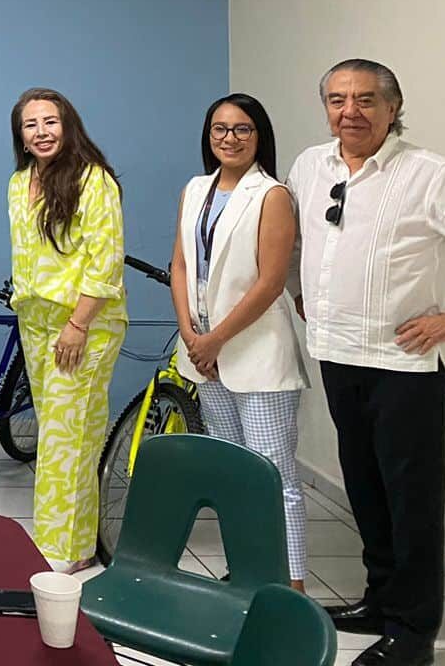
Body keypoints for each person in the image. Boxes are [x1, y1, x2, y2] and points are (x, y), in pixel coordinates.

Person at [287, 59, 445, 666]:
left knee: (411, 498)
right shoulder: (310, 165)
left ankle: (413, 631)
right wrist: (303, 295)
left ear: (392, 108)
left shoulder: (426, 174)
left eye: (364, 100)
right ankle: (380, 599)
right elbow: (298, 238)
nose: (349, 111)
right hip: (337, 354)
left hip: (404, 364)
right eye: (336, 99)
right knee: (367, 487)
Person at [169, 93, 308, 591]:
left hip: (256, 354)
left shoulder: (272, 195)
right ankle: (248, 570)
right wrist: (190, 333)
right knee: (232, 472)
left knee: (273, 477)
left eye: (242, 129)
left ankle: (290, 583)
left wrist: (216, 338)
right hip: (206, 356)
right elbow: (182, 265)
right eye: (220, 129)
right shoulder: (195, 188)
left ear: (259, 136)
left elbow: (271, 281)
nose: (230, 138)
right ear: (209, 136)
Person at [7, 87, 126, 573]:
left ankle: (55, 552)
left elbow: (105, 260)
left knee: (65, 438)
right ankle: (75, 547)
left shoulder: (93, 180)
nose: (41, 132)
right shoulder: (19, 182)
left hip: (84, 325)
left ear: (68, 124)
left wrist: (78, 323)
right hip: (36, 324)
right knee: (63, 434)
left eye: (50, 122)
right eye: (31, 124)